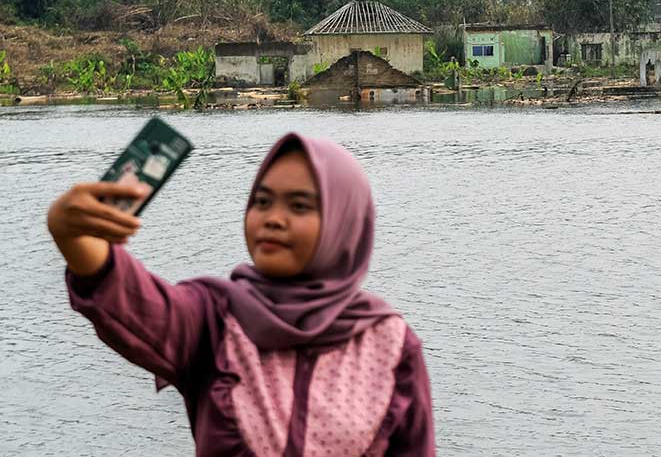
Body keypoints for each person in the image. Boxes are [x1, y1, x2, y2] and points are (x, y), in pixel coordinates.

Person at [47, 133, 435, 457]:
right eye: (262, 201)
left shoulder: (389, 343)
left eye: (298, 206)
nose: (272, 217)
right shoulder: (214, 319)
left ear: (344, 222)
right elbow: (130, 298)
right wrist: (75, 237)